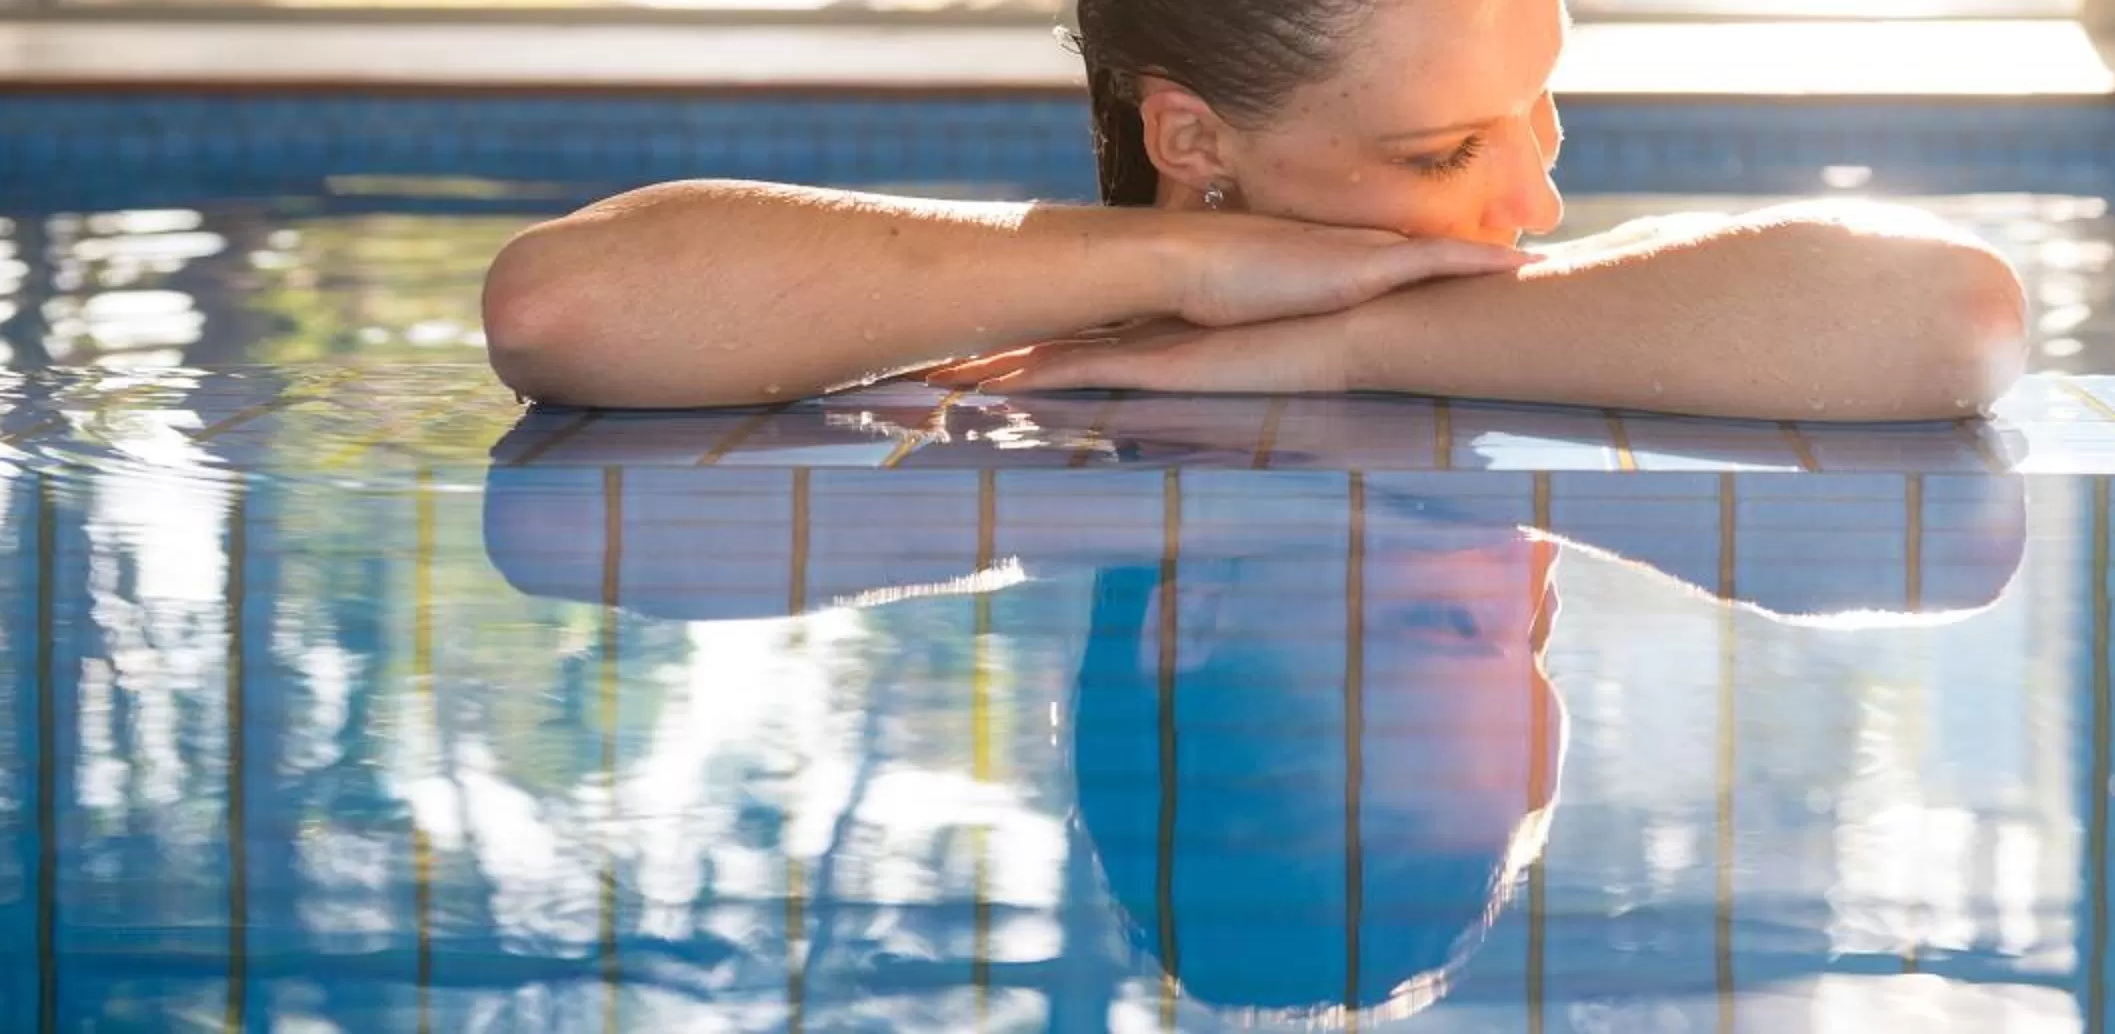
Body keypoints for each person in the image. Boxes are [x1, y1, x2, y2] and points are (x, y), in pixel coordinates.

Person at [482, 0, 2026, 419]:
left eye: (1542, 109)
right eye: (1444, 154)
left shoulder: (1541, 323)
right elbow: (559, 310)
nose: (1537, 197)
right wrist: (1189, 268)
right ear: (1191, 135)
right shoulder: (1014, 401)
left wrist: (1337, 353)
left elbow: (1957, 317)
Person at [478, 405, 2030, 1018]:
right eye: (1524, 632)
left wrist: (1244, 370)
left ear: (1197, 610)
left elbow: (554, 523)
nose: (1540, 552)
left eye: (1446, 619)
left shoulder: (1046, 432)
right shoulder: (1525, 397)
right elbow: (1960, 536)